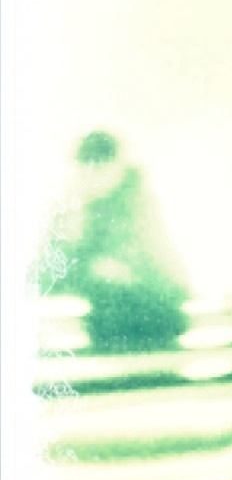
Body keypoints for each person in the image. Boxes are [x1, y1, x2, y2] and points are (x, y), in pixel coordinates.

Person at [50, 131, 190, 352]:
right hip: (119, 326)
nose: (88, 178)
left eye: (96, 169)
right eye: (84, 170)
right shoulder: (82, 209)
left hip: (145, 324)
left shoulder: (134, 207)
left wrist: (118, 271)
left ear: (114, 167)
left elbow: (166, 273)